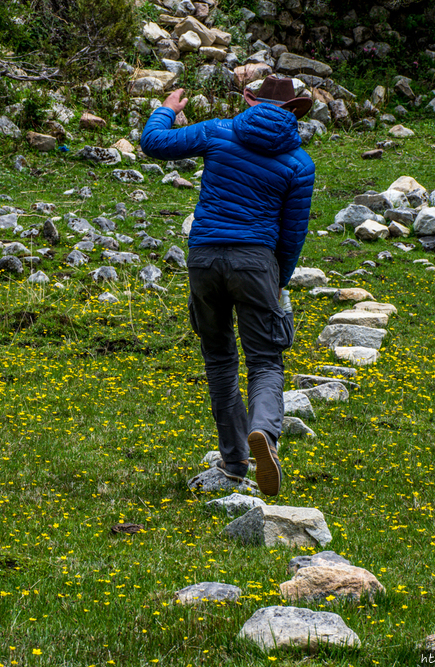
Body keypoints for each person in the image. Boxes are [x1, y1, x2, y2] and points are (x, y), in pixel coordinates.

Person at [140, 76, 315, 496]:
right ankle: (264, 436)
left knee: (219, 360)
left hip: (203, 257)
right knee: (265, 361)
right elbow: (292, 236)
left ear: (249, 100)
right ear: (293, 109)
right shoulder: (299, 163)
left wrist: (167, 107)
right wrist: (279, 283)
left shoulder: (218, 130)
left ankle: (234, 461)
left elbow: (154, 142)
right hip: (255, 262)